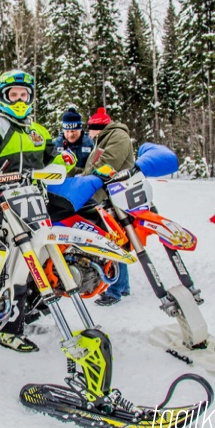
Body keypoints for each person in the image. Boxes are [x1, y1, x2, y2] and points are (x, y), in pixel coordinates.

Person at [0, 69, 76, 352]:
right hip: (2, 207)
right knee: (16, 268)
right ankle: (9, 328)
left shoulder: (36, 130)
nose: (19, 100)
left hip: (34, 204)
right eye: (13, 95)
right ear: (2, 96)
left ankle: (26, 313)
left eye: (24, 95)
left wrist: (63, 160)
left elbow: (53, 158)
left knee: (37, 262)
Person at [81, 107, 136, 306]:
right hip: (109, 198)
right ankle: (122, 286)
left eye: (91, 129)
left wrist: (85, 189)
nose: (89, 133)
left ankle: (116, 290)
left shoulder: (117, 136)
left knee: (114, 244)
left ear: (98, 127)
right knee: (116, 242)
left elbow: (106, 165)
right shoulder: (104, 139)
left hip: (118, 200)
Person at [52, 107, 94, 175]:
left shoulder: (89, 143)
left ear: (80, 129)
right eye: (67, 131)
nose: (70, 134)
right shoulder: (56, 144)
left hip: (83, 180)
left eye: (73, 131)